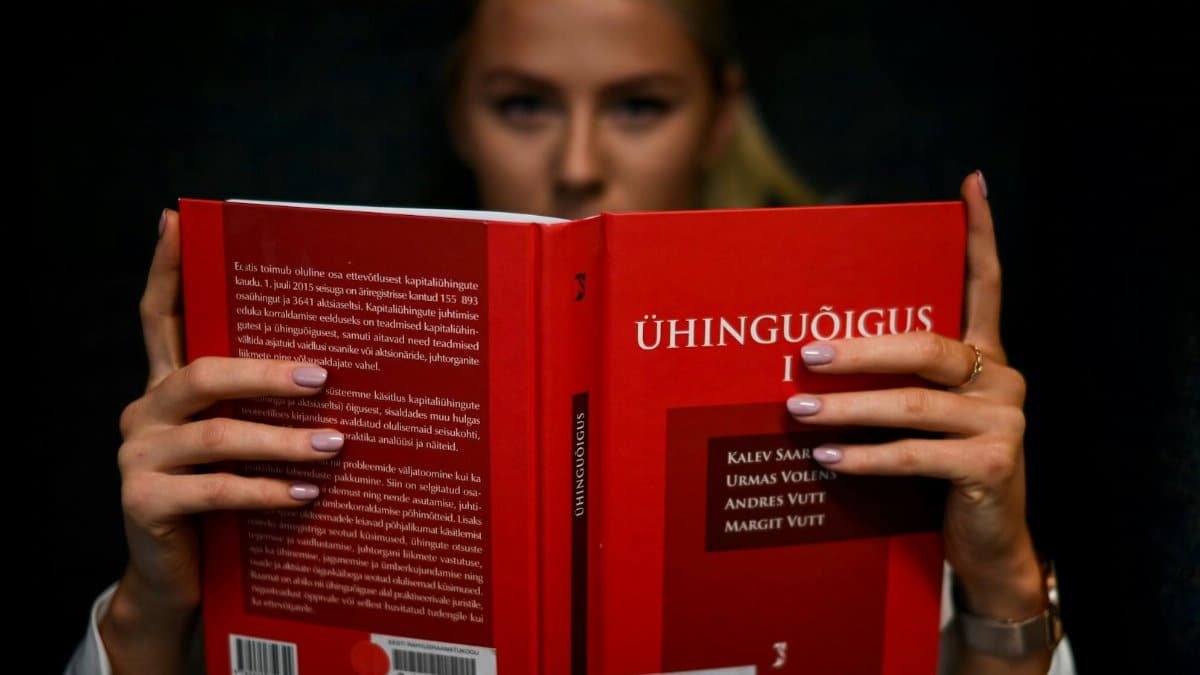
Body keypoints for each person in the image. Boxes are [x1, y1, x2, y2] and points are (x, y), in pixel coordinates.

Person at [65, 1, 1075, 674]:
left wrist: (1004, 582)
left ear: (720, 117)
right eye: (523, 105)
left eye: (639, 105)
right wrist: (149, 609)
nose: (579, 162)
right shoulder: (295, 348)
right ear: (458, 116)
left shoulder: (876, 351)